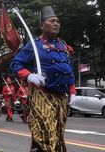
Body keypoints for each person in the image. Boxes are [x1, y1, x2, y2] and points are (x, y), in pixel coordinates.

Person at [10, 6, 76, 152]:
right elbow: (16, 64)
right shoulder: (34, 45)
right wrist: (29, 75)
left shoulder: (63, 45)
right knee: (46, 133)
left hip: (61, 98)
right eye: (52, 21)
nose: (56, 23)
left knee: (57, 134)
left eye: (57, 21)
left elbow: (68, 69)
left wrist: (72, 90)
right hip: (43, 95)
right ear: (41, 25)